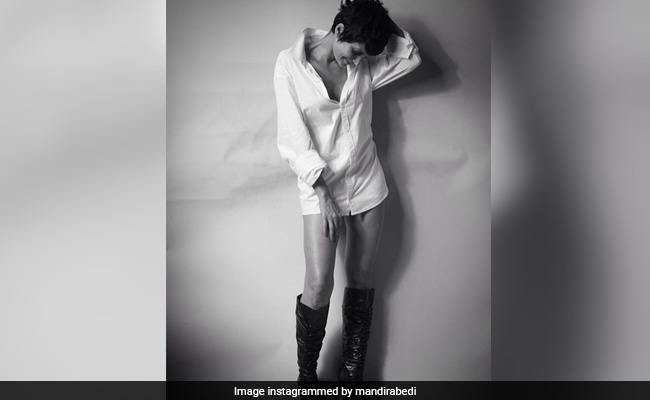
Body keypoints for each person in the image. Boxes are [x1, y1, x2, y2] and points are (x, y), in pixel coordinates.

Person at [273, 0, 420, 382]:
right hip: (320, 186)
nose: (356, 61)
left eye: (363, 56)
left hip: (366, 181)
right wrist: (323, 193)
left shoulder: (364, 63)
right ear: (338, 31)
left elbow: (409, 56)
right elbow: (292, 138)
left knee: (360, 277)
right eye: (354, 51)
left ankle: (352, 377)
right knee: (318, 284)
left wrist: (370, 15)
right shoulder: (289, 65)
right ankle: (307, 379)